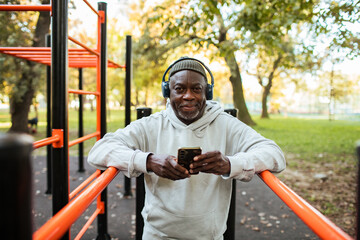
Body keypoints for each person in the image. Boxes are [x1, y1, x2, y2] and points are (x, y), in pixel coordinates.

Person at [88, 57, 286, 240]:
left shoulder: (226, 124)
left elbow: (274, 154)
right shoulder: (151, 125)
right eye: (180, 89)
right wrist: (148, 161)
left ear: (207, 92)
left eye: (197, 89)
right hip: (157, 235)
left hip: (209, 236)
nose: (188, 96)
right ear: (168, 92)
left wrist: (229, 164)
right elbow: (99, 151)